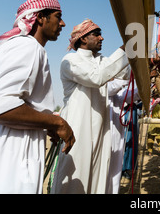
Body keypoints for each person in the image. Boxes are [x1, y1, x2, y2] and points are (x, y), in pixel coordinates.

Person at [0, 0, 75, 194]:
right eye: (57, 16)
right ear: (40, 18)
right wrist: (57, 123)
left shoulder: (16, 47)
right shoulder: (28, 48)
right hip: (8, 151)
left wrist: (45, 122)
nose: (62, 23)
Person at [50, 19, 129, 194]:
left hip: (101, 128)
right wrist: (125, 49)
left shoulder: (101, 60)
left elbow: (124, 74)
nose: (101, 38)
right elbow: (97, 77)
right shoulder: (70, 60)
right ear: (83, 39)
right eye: (96, 34)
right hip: (78, 127)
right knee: (76, 174)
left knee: (97, 176)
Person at [106, 73, 139, 193]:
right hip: (100, 135)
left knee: (113, 171)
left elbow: (128, 96)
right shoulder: (100, 85)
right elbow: (111, 88)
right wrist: (131, 76)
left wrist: (145, 83)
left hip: (115, 137)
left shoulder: (117, 92)